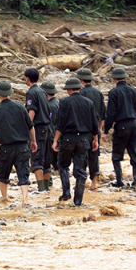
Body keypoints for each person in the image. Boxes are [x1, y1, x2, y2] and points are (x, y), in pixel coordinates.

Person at [0, 80, 38, 206]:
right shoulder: (21, 107)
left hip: (6, 148)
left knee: (3, 174)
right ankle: (25, 199)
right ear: (10, 93)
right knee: (23, 174)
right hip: (22, 146)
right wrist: (33, 141)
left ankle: (4, 198)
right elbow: (31, 126)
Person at [52, 78, 100, 206]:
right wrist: (95, 140)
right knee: (80, 170)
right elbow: (94, 124)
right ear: (80, 88)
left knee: (63, 165)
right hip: (84, 139)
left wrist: (55, 140)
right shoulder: (89, 103)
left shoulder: (63, 102)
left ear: (68, 89)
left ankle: (66, 193)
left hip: (68, 139)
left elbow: (60, 124)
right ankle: (78, 201)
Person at [104, 67, 136, 188]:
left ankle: (119, 181)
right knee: (135, 153)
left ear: (113, 79)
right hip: (134, 125)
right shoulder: (134, 91)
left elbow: (110, 113)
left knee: (117, 155)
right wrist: (135, 121)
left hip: (121, 126)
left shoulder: (113, 93)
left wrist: (106, 130)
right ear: (125, 78)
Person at [76, 68, 106, 191]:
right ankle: (94, 183)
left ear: (80, 80)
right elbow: (102, 114)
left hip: (83, 130)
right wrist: (100, 129)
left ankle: (83, 182)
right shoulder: (98, 93)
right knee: (94, 156)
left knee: (81, 155)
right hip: (95, 129)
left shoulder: (80, 94)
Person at [24, 67, 51, 193]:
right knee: (45, 158)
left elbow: (32, 111)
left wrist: (28, 127)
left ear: (27, 79)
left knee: (37, 157)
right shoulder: (43, 92)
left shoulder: (31, 93)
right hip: (47, 128)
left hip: (38, 128)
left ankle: (40, 188)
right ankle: (46, 187)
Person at [40, 80, 60, 188]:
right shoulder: (57, 103)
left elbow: (50, 123)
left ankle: (47, 185)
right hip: (57, 137)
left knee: (48, 162)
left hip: (51, 137)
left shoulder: (50, 106)